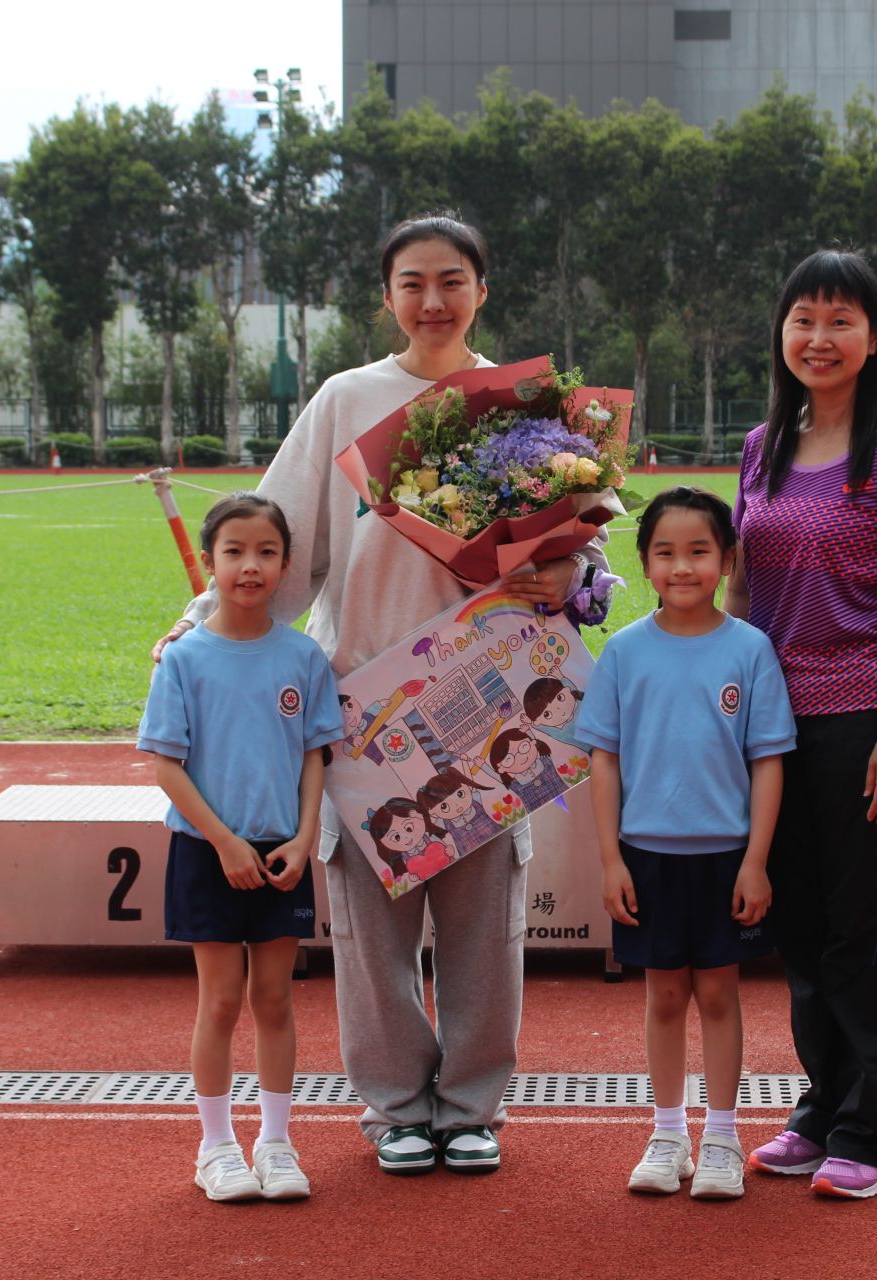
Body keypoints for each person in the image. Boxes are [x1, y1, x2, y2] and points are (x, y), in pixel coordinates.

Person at [152, 213, 609, 1176]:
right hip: (364, 704)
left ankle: (473, 1106)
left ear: (482, 289)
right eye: (412, 283)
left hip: (493, 701)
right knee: (371, 932)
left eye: (452, 281)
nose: (432, 300)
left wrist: (566, 577)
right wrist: (201, 623)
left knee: (486, 927)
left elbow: (585, 555)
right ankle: (397, 1106)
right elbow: (282, 540)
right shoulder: (345, 400)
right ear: (387, 295)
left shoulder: (526, 408)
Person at [726, 250, 877, 1201]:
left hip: (865, 720)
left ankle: (873, 1126)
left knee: (868, 929)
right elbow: (744, 592)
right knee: (803, 926)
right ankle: (822, 1108)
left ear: (875, 336)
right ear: (781, 333)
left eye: (841, 320)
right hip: (774, 728)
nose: (819, 338)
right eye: (803, 319)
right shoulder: (761, 446)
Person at [574, 487, 796, 1200]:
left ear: (727, 560)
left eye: (699, 551)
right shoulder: (625, 652)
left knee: (721, 995)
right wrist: (611, 859)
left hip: (727, 857)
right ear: (644, 563)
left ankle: (722, 1137)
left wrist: (756, 861)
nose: (682, 567)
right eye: (665, 552)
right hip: (647, 857)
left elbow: (768, 761)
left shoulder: (750, 650)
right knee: (664, 995)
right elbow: (603, 760)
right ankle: (668, 1134)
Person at [136, 492, 345, 1202]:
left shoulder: (303, 656)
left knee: (275, 998)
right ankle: (217, 1147)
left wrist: (305, 836)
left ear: (286, 566)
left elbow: (315, 755)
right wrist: (224, 842)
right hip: (208, 852)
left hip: (283, 852)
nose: (250, 566)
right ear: (209, 563)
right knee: (221, 1000)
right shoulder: (184, 659)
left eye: (266, 552)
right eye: (234, 552)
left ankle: (277, 1143)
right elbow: (167, 765)